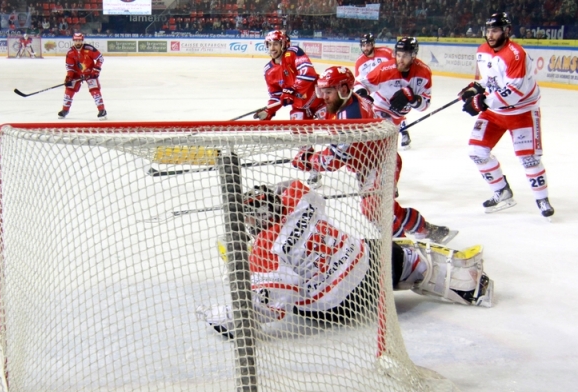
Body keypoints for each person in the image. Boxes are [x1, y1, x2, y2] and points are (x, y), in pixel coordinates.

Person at [197, 180, 493, 337]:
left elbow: (272, 309)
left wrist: (226, 317)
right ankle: (465, 285)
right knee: (400, 250)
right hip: (369, 269)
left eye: (249, 220)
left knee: (287, 282)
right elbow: (291, 184)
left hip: (334, 308)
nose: (248, 225)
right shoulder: (300, 198)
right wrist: (271, 194)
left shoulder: (264, 251)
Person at [300, 66, 456, 243]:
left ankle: (403, 250)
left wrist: (309, 161)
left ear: (343, 89)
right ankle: (426, 230)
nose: (324, 98)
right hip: (371, 163)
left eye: (328, 92)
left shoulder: (351, 117)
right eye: (322, 92)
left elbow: (334, 161)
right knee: (387, 207)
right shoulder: (348, 103)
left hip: (381, 163)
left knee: (372, 207)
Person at [458, 12, 554, 218]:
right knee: (476, 151)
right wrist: (475, 88)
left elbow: (514, 92)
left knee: (529, 159)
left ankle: (542, 198)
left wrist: (482, 101)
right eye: (488, 30)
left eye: (496, 30)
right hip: (495, 113)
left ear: (507, 31)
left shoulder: (515, 54)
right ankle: (502, 191)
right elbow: (490, 80)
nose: (490, 35)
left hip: (522, 112)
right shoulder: (483, 50)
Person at [355, 37, 432, 150]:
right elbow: (361, 83)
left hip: (400, 112)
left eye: (405, 56)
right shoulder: (385, 69)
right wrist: (362, 95)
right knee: (379, 143)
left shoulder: (424, 73)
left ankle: (402, 125)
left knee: (390, 146)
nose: (400, 59)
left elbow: (425, 104)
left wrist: (413, 99)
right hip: (381, 105)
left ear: (413, 55)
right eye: (399, 55)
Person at [253, 30, 321, 121]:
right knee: (298, 134)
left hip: (320, 99)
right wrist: (268, 111)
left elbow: (308, 73)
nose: (272, 48)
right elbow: (276, 96)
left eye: (276, 44)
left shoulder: (293, 53)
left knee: (334, 130)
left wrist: (292, 90)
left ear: (284, 44)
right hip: (299, 107)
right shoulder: (268, 71)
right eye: (269, 44)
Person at [59, 33, 106, 119]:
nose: (78, 42)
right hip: (77, 74)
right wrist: (69, 77)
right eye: (76, 40)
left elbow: (100, 58)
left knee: (95, 91)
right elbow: (70, 66)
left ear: (82, 40)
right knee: (69, 90)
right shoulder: (70, 52)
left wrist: (96, 70)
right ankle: (65, 110)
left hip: (90, 73)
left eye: (79, 40)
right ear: (73, 41)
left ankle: (102, 110)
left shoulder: (90, 49)